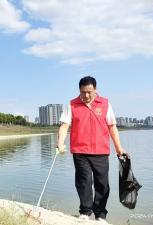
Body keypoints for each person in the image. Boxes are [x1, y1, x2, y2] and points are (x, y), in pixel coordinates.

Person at [56, 76, 126, 222]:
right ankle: (85, 212)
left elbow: (112, 126)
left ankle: (100, 215)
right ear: (79, 91)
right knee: (84, 182)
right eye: (83, 92)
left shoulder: (105, 104)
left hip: (101, 151)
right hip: (80, 151)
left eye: (89, 92)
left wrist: (119, 148)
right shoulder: (72, 104)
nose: (86, 95)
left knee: (102, 184)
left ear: (95, 90)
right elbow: (64, 125)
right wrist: (60, 143)